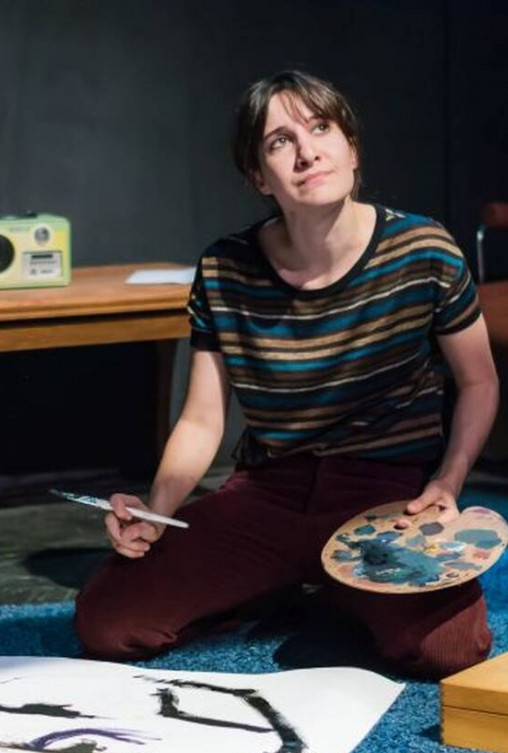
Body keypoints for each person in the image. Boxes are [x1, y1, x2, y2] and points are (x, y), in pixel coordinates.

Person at [74, 70, 500, 680]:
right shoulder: (225, 268)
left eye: (321, 128)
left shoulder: (423, 248)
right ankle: (300, 579)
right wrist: (156, 513)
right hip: (267, 492)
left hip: (385, 494)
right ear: (258, 176)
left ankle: (322, 586)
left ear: (352, 148)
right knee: (108, 623)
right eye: (280, 141)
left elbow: (480, 382)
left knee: (449, 649)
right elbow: (202, 419)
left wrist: (448, 481)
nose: (307, 152)